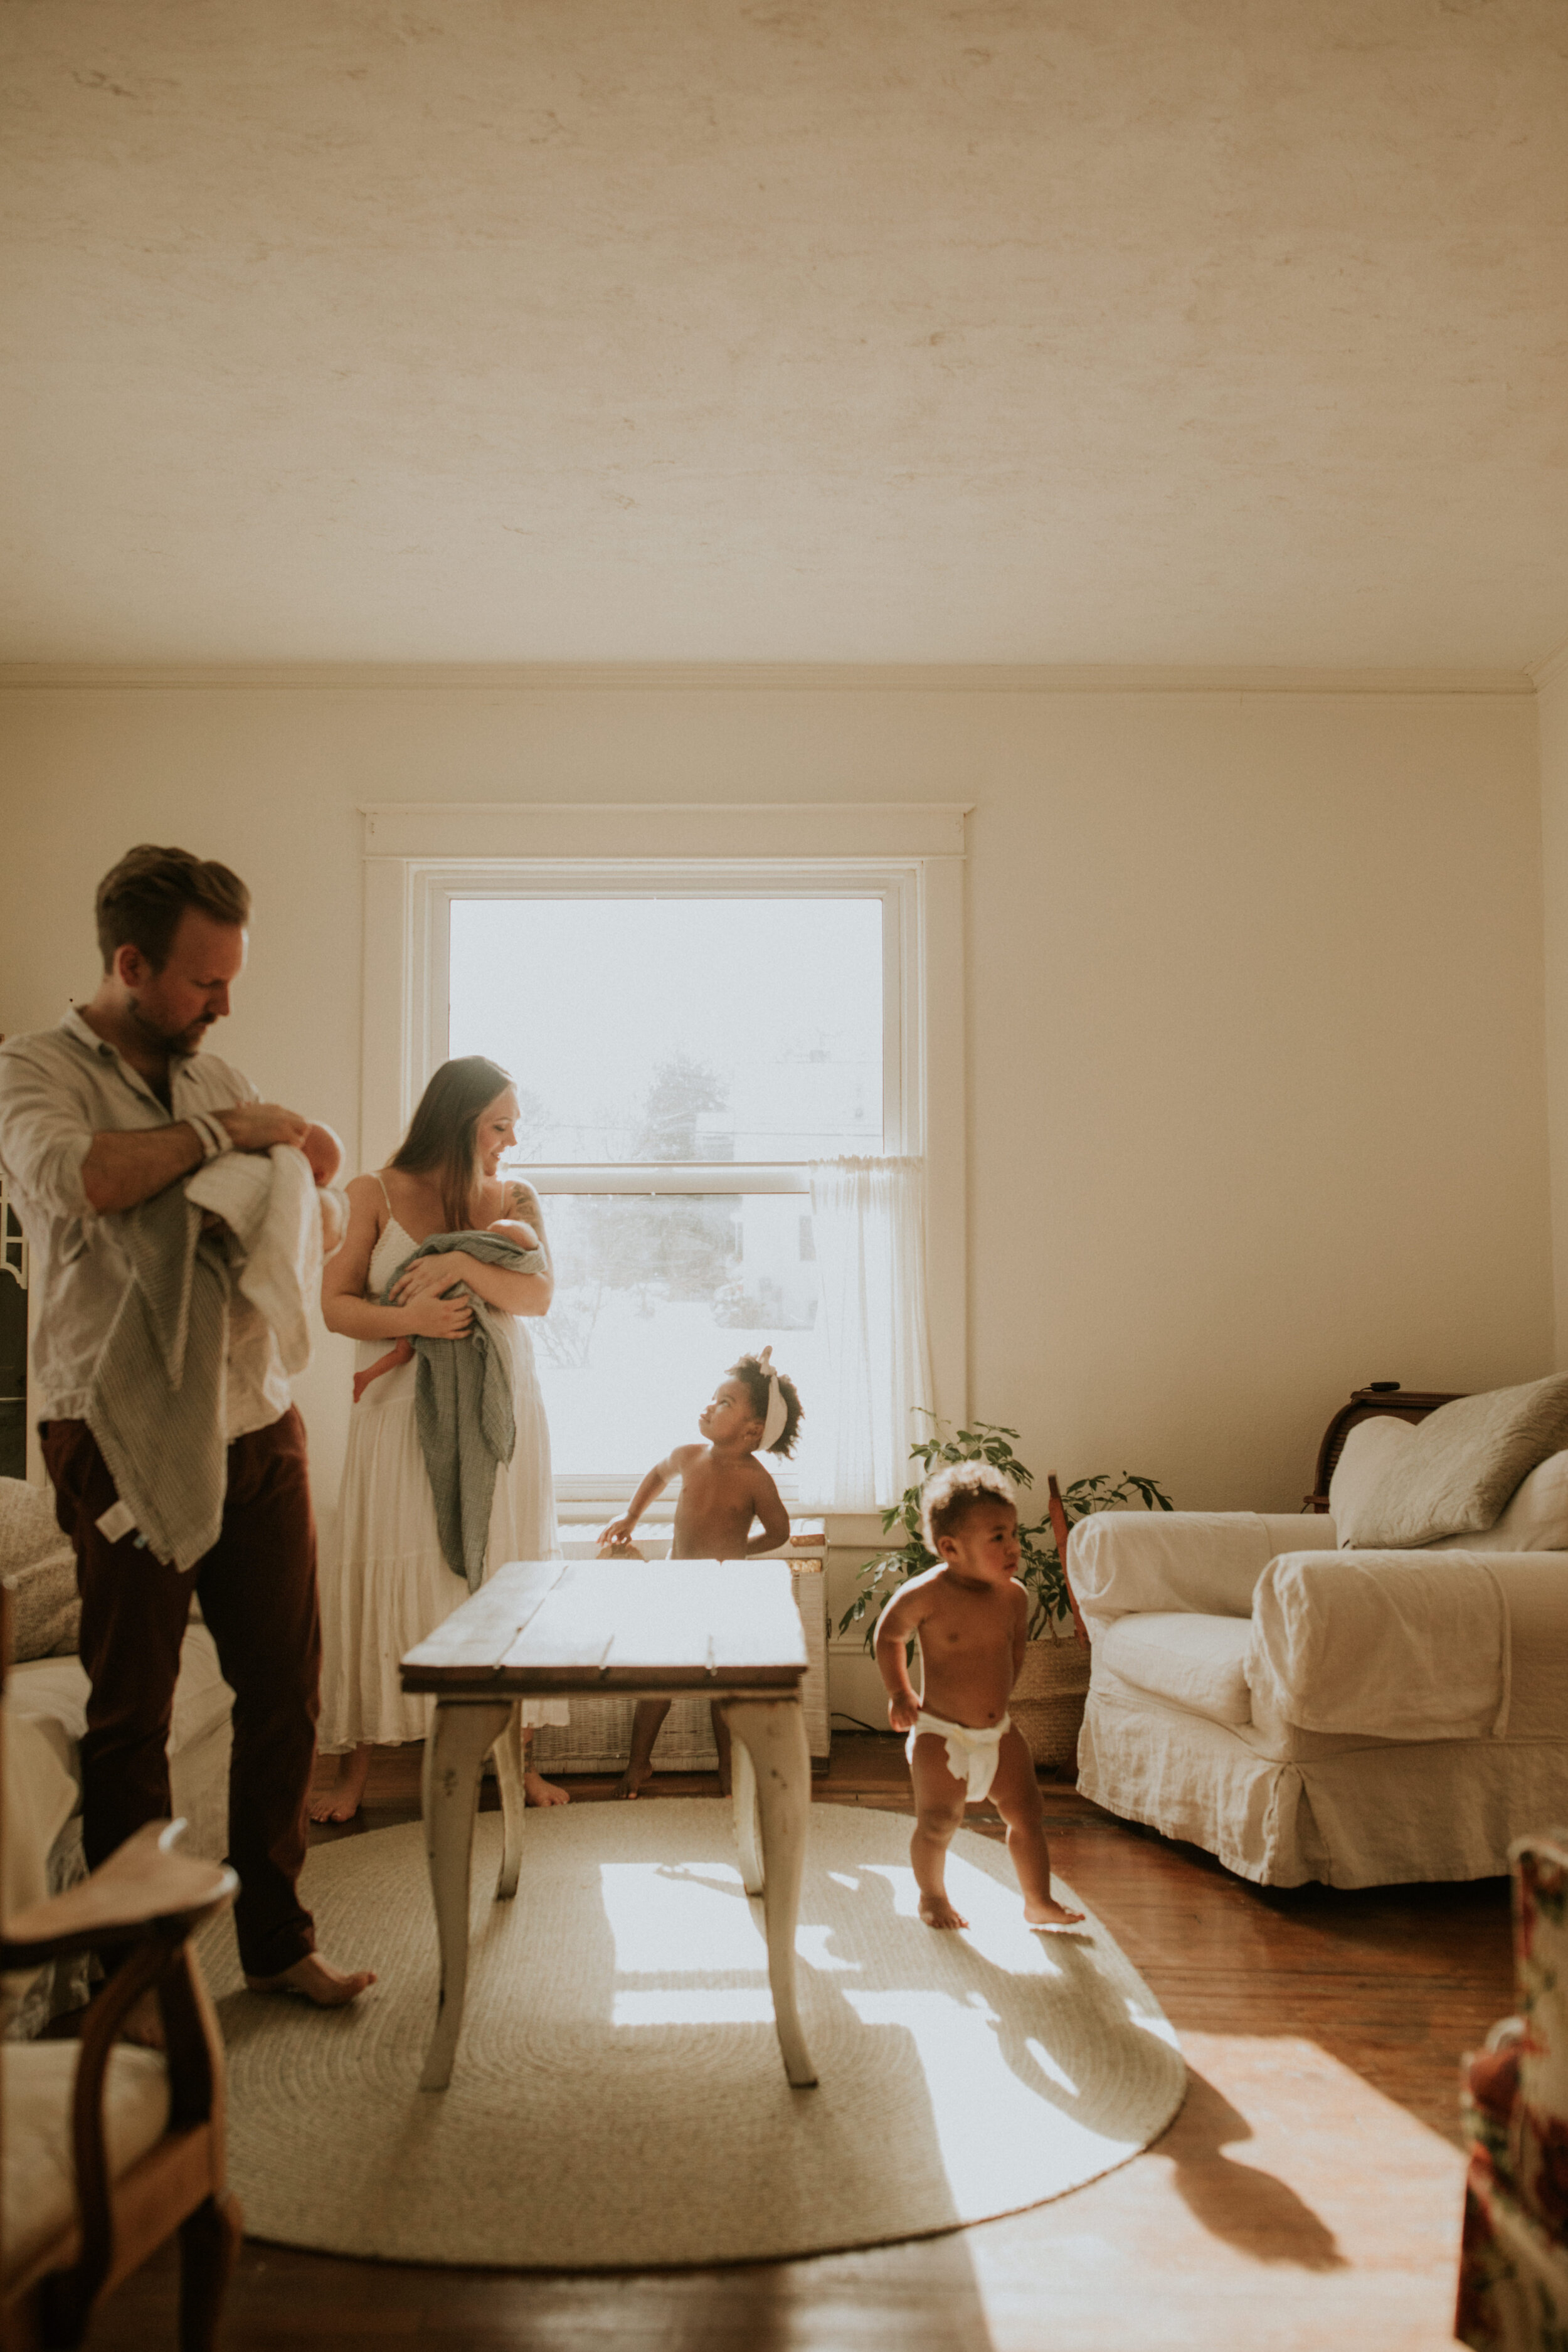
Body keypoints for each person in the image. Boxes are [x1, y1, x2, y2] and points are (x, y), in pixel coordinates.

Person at [0, 843, 374, 2008]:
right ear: (130, 963)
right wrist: (230, 1139)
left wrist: (297, 1157)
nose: (225, 1004)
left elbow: (280, 1189)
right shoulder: (32, 1068)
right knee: (132, 1709)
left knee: (284, 1689)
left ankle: (275, 1942)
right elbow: (78, 1180)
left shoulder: (214, 1070)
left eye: (232, 980)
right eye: (206, 983)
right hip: (113, 1426)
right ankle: (136, 1982)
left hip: (252, 1413)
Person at [312, 1055, 569, 1823]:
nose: (511, 1140)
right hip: (398, 1419)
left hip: (500, 1417)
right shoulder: (374, 1193)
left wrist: (460, 1260)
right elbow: (335, 1305)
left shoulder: (515, 1198)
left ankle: (516, 1766)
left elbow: (539, 1294)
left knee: (503, 1575)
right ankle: (354, 1771)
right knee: (393, 1574)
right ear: (458, 1125)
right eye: (499, 1125)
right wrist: (410, 1322)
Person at [874, 1459, 1085, 1934]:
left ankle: (1038, 1900)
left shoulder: (1014, 1597)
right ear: (951, 1548)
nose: (1014, 1546)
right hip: (939, 1732)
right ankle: (932, 1896)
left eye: (1013, 1533)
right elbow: (888, 1637)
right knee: (938, 1821)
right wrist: (899, 1693)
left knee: (1028, 1814)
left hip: (998, 1732)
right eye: (997, 1538)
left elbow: (1014, 1649)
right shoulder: (926, 1594)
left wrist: (1000, 1698)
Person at [601, 1348, 801, 1799]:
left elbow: (780, 1531)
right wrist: (631, 1518)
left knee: (723, 1688)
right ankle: (639, 1764)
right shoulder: (689, 1456)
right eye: (714, 1397)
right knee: (659, 1680)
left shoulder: (755, 1479)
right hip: (676, 1588)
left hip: (725, 1594)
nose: (710, 1405)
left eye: (725, 1402)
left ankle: (728, 1769)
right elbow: (656, 1475)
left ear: (752, 1431)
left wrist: (739, 1553)